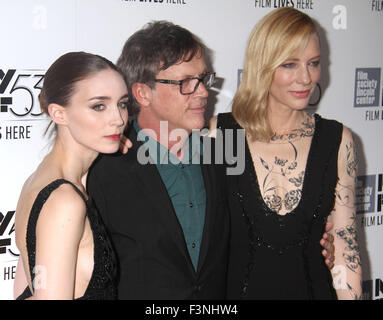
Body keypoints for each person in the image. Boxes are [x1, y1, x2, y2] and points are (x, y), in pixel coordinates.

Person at [88, 20, 335, 299]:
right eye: (186, 84)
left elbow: (263, 230)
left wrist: (322, 241)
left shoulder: (225, 151)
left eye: (204, 79)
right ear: (143, 93)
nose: (204, 92)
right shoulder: (104, 170)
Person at [210, 7, 362, 299]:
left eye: (314, 63)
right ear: (263, 65)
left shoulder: (337, 140)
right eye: (290, 64)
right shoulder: (221, 135)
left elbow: (345, 245)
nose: (306, 78)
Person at [13, 52, 129, 300]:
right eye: (99, 106)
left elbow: (24, 292)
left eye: (122, 103)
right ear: (59, 114)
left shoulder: (39, 179)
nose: (118, 119)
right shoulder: (65, 201)